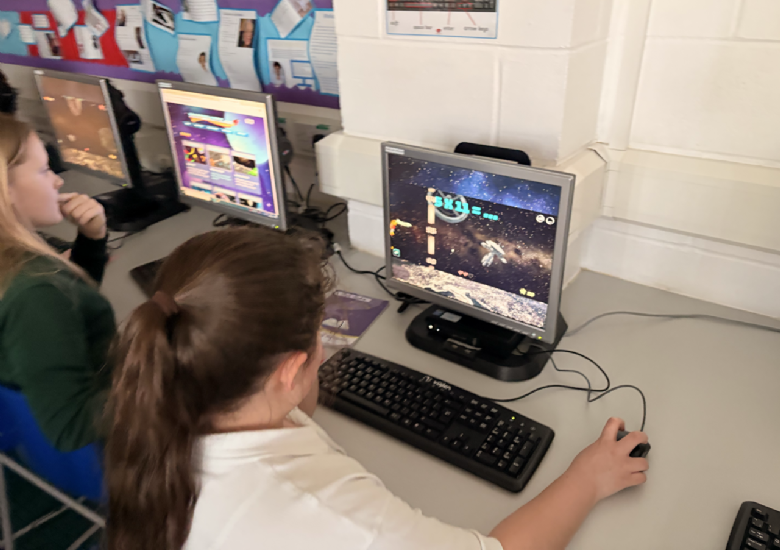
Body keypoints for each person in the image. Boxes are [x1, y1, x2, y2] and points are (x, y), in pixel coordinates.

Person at [104, 227, 650, 550]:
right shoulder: (333, 517)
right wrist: (588, 479)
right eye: (319, 338)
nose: (325, 351)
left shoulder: (167, 406)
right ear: (289, 373)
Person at [0, 114, 114, 451]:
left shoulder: (17, 266)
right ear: (5, 190)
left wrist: (92, 239)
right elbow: (71, 426)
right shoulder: (34, 294)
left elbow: (67, 310)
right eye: (44, 170)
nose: (58, 181)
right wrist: (163, 379)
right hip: (114, 451)